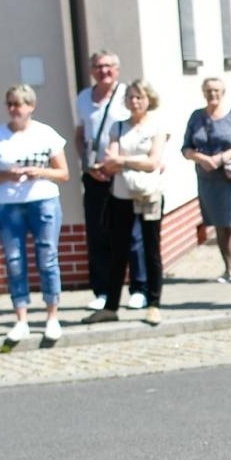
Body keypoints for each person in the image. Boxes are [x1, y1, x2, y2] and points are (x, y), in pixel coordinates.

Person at [0, 84, 69, 342]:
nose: (14, 109)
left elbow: (63, 173)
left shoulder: (46, 134)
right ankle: (21, 319)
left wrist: (39, 172)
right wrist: (7, 175)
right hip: (8, 204)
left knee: (47, 257)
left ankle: (52, 316)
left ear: (31, 106)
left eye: (19, 104)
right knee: (14, 260)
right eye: (10, 104)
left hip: (43, 201)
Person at [83, 80, 168, 326]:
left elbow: (153, 162)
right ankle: (111, 305)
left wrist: (124, 160)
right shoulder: (118, 127)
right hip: (121, 193)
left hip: (148, 193)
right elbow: (110, 160)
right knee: (118, 250)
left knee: (151, 249)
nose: (134, 102)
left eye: (139, 97)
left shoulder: (156, 127)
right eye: (130, 97)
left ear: (148, 100)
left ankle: (153, 303)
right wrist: (124, 161)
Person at [74, 50, 146, 312]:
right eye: (97, 67)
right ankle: (102, 290)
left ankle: (139, 288)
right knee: (97, 233)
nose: (103, 71)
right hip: (94, 174)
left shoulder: (127, 95)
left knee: (132, 233)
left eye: (108, 67)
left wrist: (115, 163)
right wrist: (87, 163)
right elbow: (80, 134)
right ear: (92, 70)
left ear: (116, 69)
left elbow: (140, 126)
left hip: (121, 173)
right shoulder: (83, 98)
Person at [182, 77, 231, 283]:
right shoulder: (196, 117)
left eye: (217, 90)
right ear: (203, 93)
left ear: (224, 92)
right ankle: (229, 269)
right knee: (219, 223)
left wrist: (223, 157)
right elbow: (185, 148)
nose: (213, 94)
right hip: (208, 178)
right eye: (209, 91)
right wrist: (200, 158)